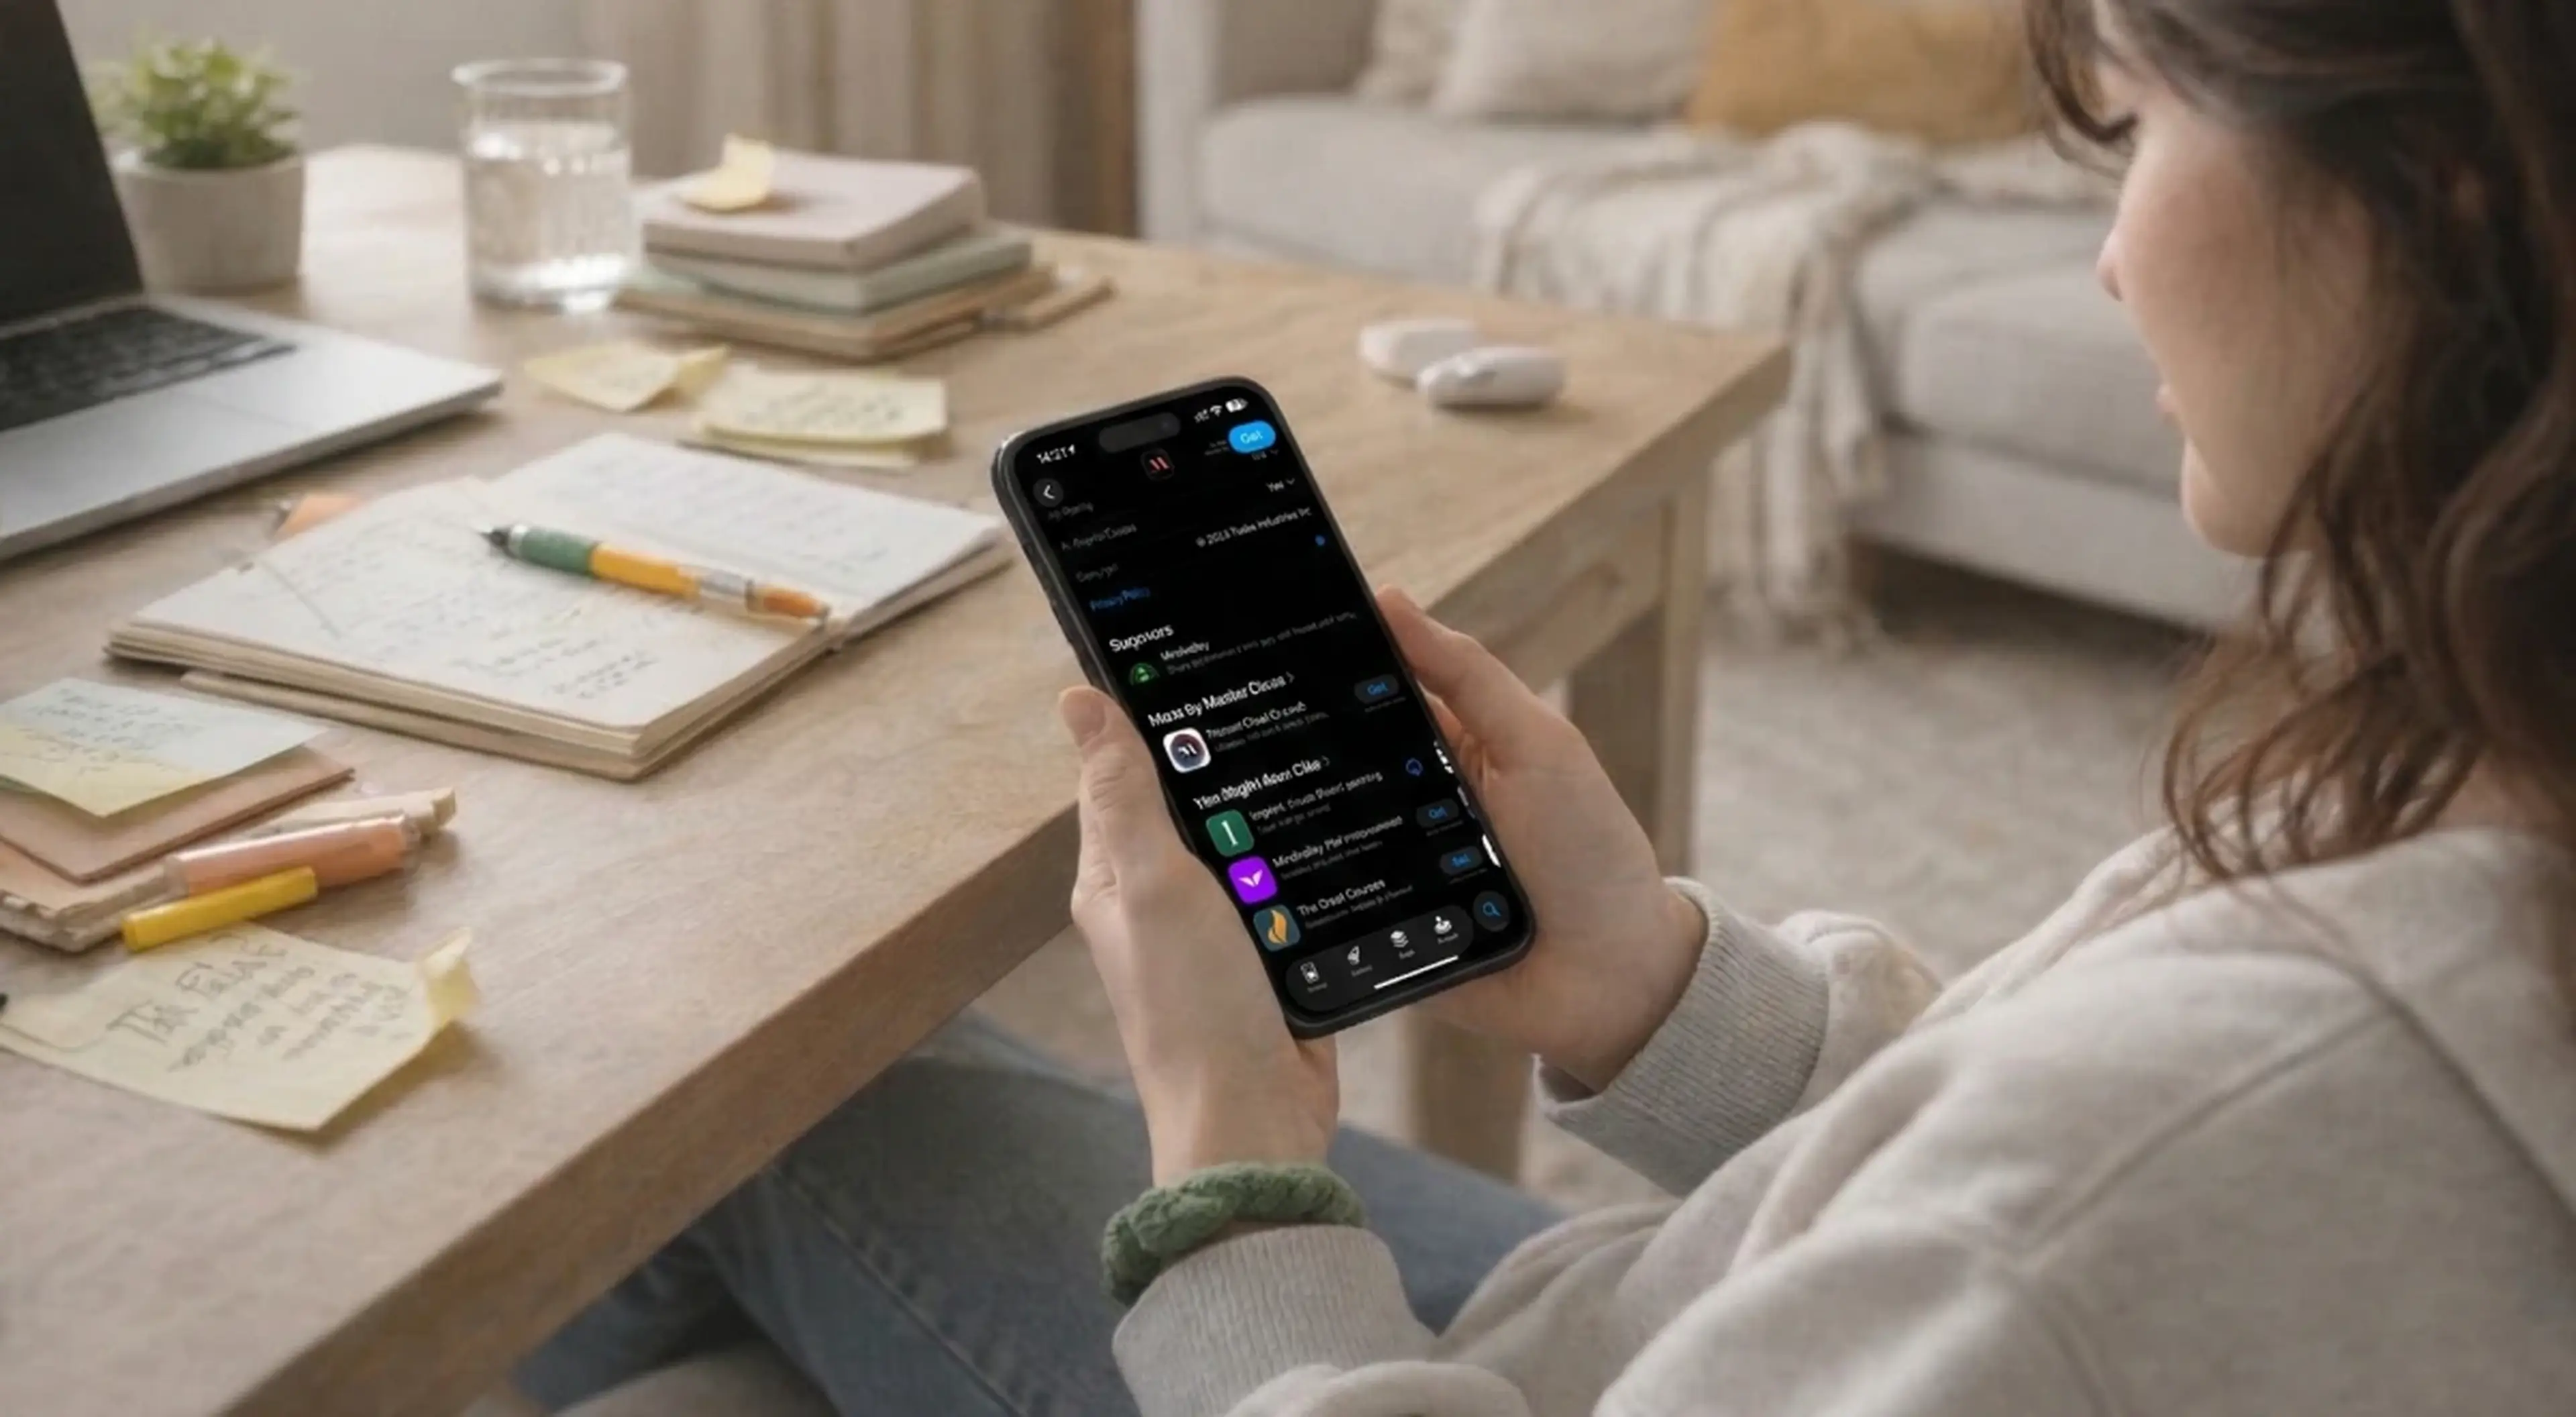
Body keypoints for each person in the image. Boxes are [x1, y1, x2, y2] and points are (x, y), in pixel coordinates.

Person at [517, 0, 2576, 1410]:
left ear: (2445, 194)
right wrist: (1655, 986)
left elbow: (2064, 1205)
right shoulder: (2479, 760)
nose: (2113, 252)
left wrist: (1235, 1150)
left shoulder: (2227, 1124)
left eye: (2134, 124)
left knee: (727, 1098)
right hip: (1646, 1318)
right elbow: (1988, 1154)